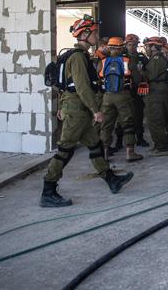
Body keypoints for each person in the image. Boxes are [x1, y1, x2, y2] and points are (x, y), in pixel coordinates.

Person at [39, 16, 134, 207]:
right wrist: (95, 110)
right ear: (84, 34)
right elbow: (82, 87)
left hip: (77, 110)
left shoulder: (76, 55)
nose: (97, 36)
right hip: (77, 111)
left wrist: (62, 107)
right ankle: (48, 191)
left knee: (95, 145)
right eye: (95, 33)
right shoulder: (78, 57)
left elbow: (67, 86)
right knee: (65, 150)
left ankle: (111, 179)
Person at [99, 37, 143, 162]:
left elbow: (99, 77)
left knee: (106, 125)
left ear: (109, 47)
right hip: (123, 95)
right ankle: (130, 152)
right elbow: (137, 79)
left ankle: (105, 153)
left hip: (107, 96)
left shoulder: (103, 61)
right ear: (121, 47)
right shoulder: (126, 61)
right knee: (127, 123)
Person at [141, 36, 168, 157]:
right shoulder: (155, 58)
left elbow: (151, 75)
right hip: (156, 91)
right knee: (154, 120)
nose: (146, 49)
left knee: (155, 120)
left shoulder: (157, 59)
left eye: (147, 46)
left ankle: (162, 148)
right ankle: (158, 144)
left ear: (154, 47)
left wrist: (140, 70)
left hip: (156, 93)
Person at [125, 34, 150, 147]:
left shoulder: (141, 57)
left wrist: (143, 74)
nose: (132, 47)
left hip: (138, 89)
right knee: (123, 116)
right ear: (126, 45)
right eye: (130, 44)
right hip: (125, 89)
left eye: (134, 45)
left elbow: (149, 71)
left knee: (138, 114)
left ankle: (140, 137)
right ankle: (121, 140)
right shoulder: (121, 57)